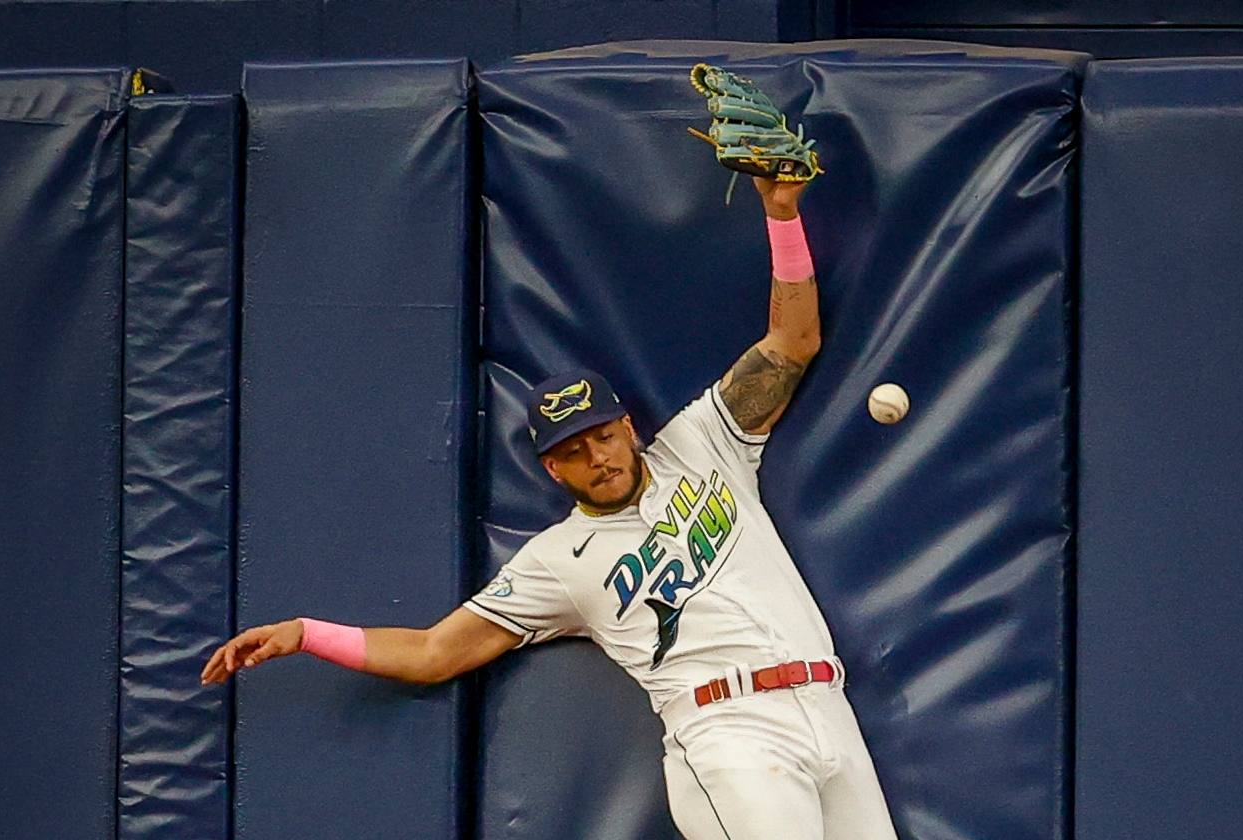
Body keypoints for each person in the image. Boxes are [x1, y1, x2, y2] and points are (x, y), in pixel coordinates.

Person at [202, 175, 899, 840]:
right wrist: (305, 631)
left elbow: (792, 342)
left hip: (824, 704)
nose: (596, 456)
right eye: (573, 450)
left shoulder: (702, 444)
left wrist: (780, 213)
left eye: (602, 435)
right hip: (729, 731)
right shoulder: (558, 562)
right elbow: (433, 652)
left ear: (627, 427)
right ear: (551, 467)